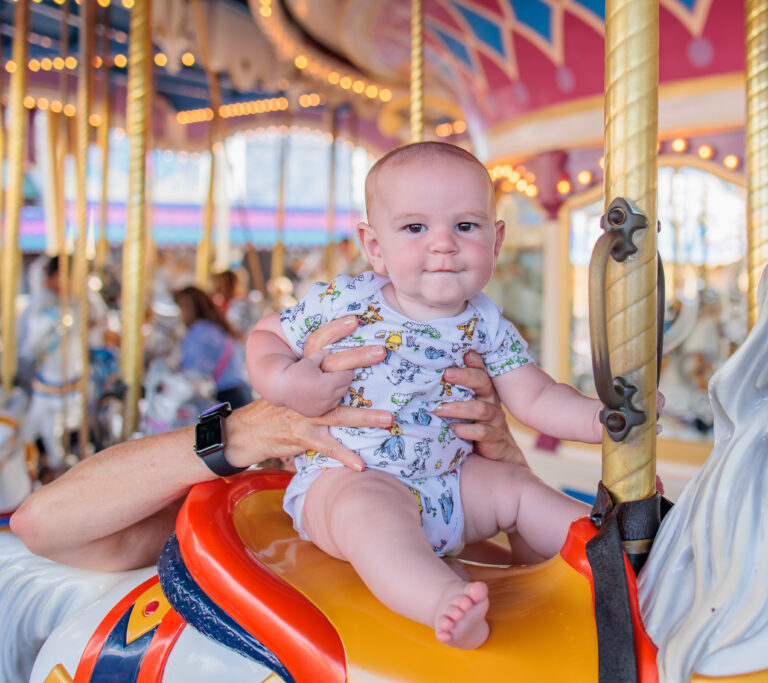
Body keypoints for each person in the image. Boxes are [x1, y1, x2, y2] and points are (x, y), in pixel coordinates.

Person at [246, 142, 607, 650]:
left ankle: (612, 555)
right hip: (351, 472)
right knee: (371, 517)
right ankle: (439, 601)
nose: (443, 244)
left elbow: (537, 397)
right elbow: (267, 337)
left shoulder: (486, 324)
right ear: (375, 246)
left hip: (453, 480)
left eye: (465, 226)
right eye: (416, 228)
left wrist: (604, 420)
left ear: (496, 239)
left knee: (518, 488)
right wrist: (289, 381)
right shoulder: (346, 300)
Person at [10, 316, 525, 572]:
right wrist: (243, 432)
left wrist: (509, 464)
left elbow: (550, 583)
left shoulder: (453, 513)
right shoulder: (256, 508)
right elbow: (44, 523)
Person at [17, 256, 85, 479]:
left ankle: (56, 464)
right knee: (34, 427)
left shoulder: (70, 301)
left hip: (66, 377)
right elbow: (31, 343)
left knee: (58, 431)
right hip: (44, 376)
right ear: (59, 276)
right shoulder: (44, 302)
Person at [173, 286, 253, 409]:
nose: (179, 315)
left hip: (223, 396)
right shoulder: (216, 327)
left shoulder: (199, 331)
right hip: (239, 392)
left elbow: (192, 372)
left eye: (180, 309)